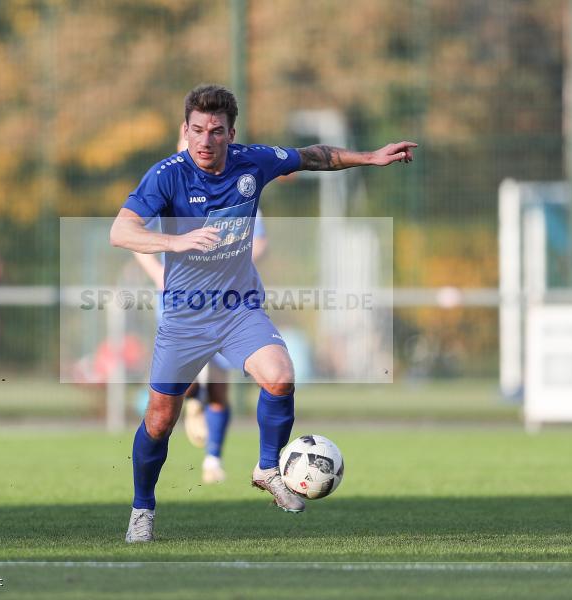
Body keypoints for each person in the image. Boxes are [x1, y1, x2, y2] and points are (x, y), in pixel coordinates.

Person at [110, 84, 416, 543]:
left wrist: (370, 158)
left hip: (238, 310)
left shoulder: (252, 162)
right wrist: (175, 241)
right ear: (185, 130)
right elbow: (121, 231)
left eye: (216, 131)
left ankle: (267, 469)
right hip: (185, 318)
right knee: (159, 419)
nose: (205, 140)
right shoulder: (166, 176)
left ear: (231, 134)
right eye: (197, 130)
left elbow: (313, 157)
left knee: (280, 376)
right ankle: (142, 509)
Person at [133, 159, 269, 485]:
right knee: (181, 386)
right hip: (182, 304)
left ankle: (213, 460)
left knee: (220, 384)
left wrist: (228, 266)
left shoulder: (242, 191)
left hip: (226, 305)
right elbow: (136, 235)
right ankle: (193, 398)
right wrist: (158, 275)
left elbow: (260, 242)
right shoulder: (169, 185)